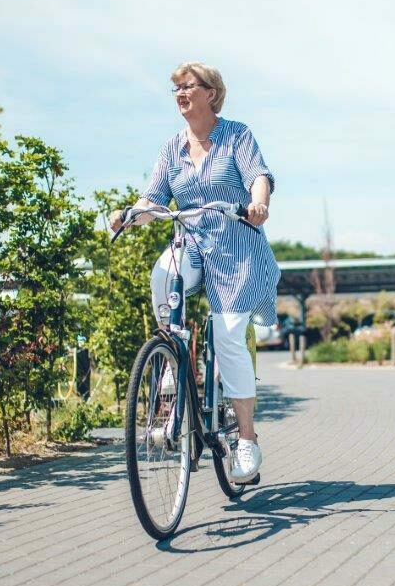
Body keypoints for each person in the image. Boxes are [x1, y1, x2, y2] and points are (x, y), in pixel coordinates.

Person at [110, 62, 279, 481]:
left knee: (226, 337)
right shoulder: (172, 149)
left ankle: (245, 440)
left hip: (237, 247)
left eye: (188, 86)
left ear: (210, 92)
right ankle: (172, 364)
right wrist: (129, 215)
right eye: (176, 89)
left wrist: (258, 205)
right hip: (191, 242)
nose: (181, 93)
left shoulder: (236, 134)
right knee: (163, 274)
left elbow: (259, 176)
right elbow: (153, 199)